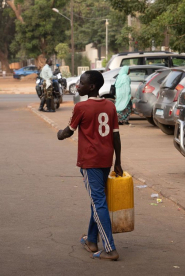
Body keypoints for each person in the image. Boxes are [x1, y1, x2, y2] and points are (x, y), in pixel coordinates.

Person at [57, 70, 123, 261]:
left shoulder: (81, 107)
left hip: (90, 161)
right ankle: (91, 240)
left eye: (82, 83)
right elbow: (116, 136)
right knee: (98, 199)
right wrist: (118, 161)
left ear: (91, 87)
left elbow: (69, 132)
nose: (78, 85)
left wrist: (59, 134)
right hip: (106, 160)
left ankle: (110, 249)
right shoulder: (110, 106)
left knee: (98, 201)